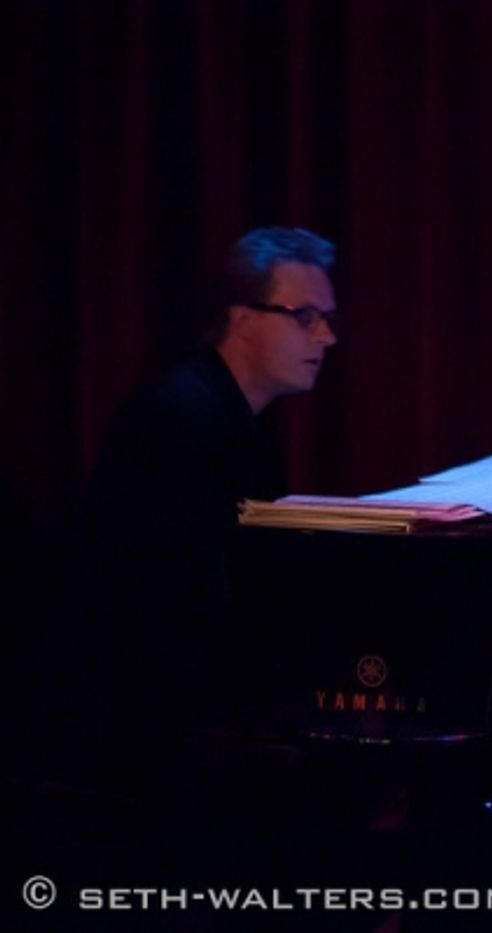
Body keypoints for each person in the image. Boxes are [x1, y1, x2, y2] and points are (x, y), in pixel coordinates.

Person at [77, 226, 339, 783]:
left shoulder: (233, 416)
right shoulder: (180, 415)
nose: (326, 337)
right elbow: (166, 598)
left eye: (327, 319)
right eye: (305, 316)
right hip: (147, 723)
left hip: (186, 700)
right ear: (242, 318)